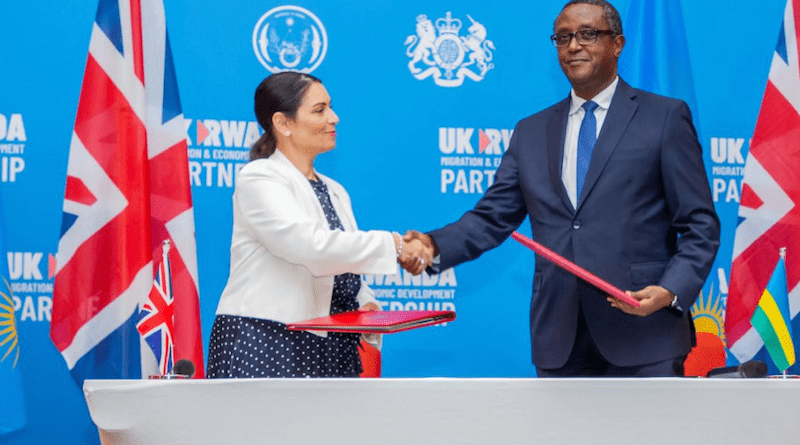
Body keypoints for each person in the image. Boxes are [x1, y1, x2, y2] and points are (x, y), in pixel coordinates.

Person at [403, 0, 720, 377]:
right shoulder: (531, 132)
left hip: (644, 334)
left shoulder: (664, 117)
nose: (573, 46)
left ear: (617, 44)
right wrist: (434, 245)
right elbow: (491, 218)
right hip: (559, 338)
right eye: (563, 37)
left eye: (587, 35)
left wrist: (670, 290)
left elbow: (701, 225)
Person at [207, 72, 431, 378]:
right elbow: (310, 247)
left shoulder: (335, 190)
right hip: (267, 338)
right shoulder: (259, 177)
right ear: (282, 123)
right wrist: (395, 245)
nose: (334, 118)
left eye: (331, 107)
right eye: (319, 110)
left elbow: (340, 265)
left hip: (332, 341)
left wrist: (364, 303)